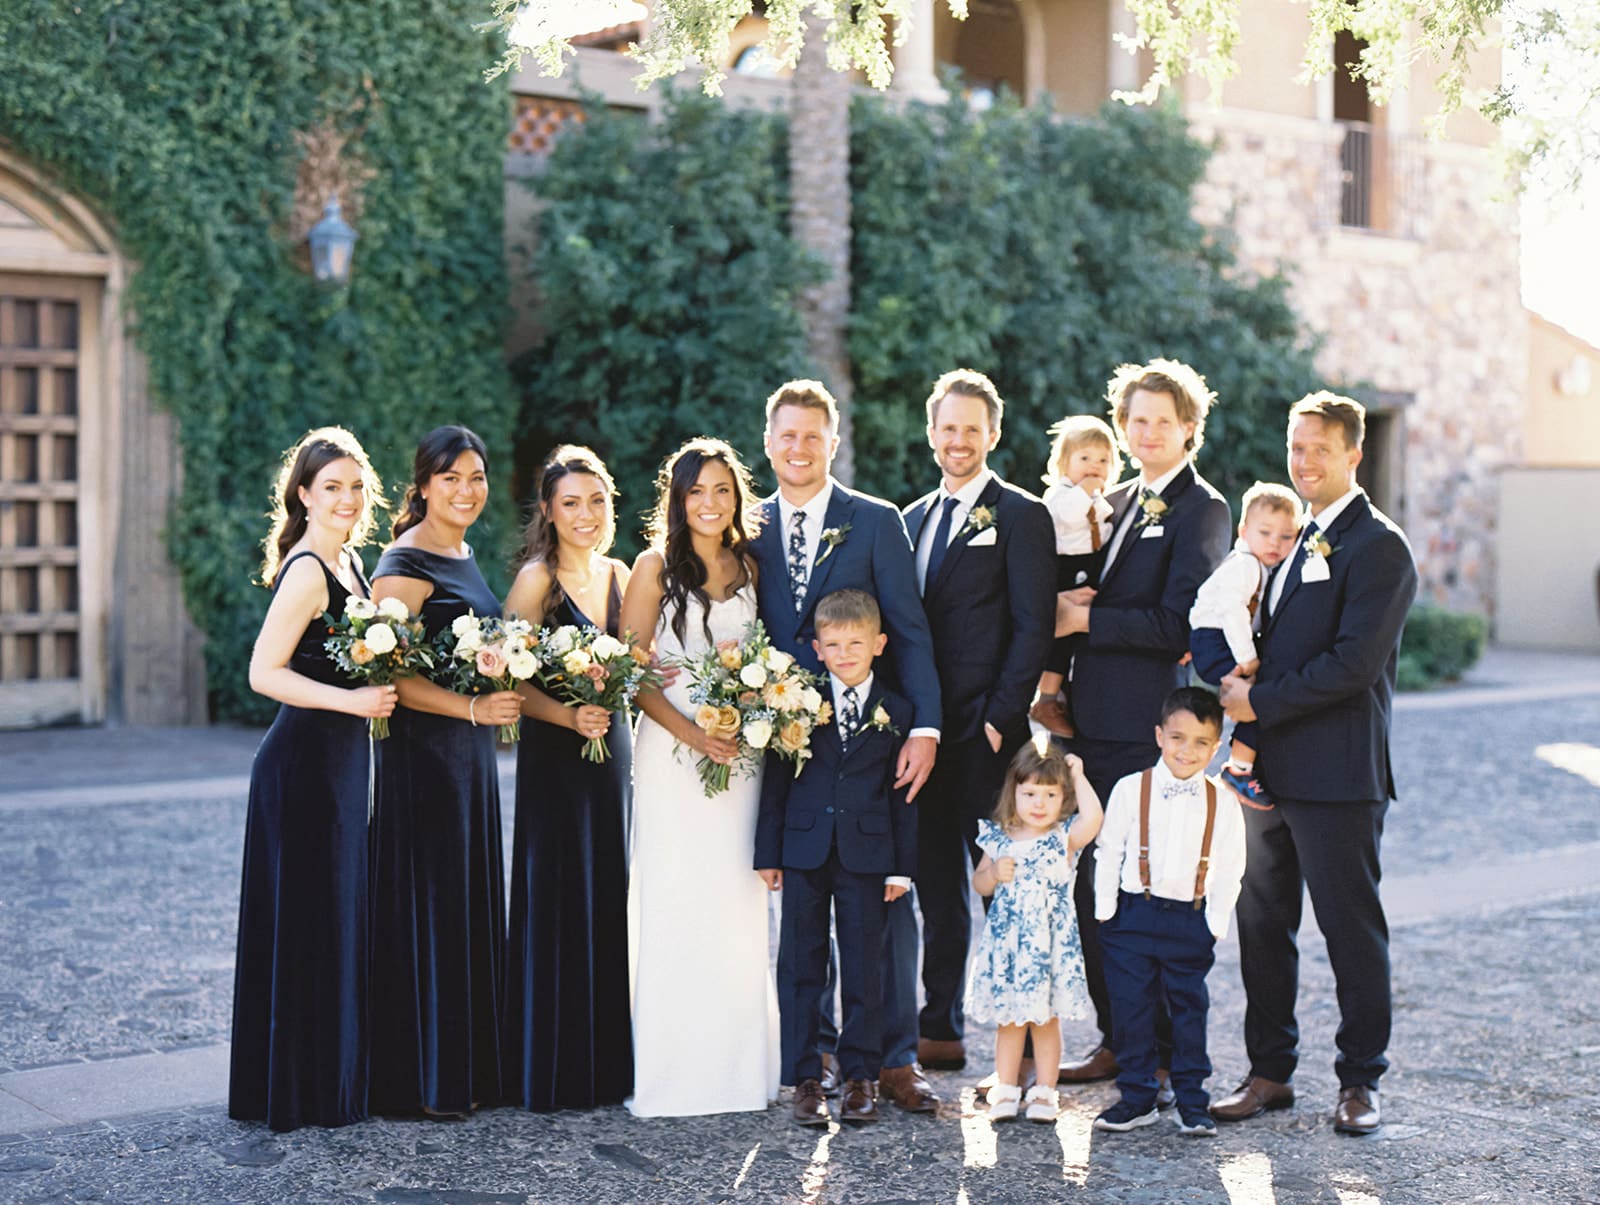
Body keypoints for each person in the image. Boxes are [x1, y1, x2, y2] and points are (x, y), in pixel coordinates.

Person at [1215, 392, 1417, 1136]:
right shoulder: (1292, 540)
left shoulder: (1380, 546)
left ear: (1353, 453)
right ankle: (1269, 1072)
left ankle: (1361, 1081)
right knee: (1262, 926)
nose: (1302, 461)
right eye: (1295, 448)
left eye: (1318, 449)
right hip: (1267, 778)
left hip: (1338, 777)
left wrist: (1254, 703)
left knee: (1349, 929)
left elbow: (1352, 667)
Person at [751, 379, 942, 1113]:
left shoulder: (873, 520)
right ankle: (811, 1061)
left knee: (875, 928)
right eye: (786, 435)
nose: (799, 448)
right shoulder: (749, 524)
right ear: (768, 442)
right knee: (800, 936)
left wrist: (923, 726)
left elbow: (910, 628)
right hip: (786, 753)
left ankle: (883, 1061)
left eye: (813, 435)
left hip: (867, 755)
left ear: (834, 442)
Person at [1055, 359, 1232, 1088]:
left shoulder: (1203, 508)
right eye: (1137, 419)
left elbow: (1176, 623)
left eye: (1163, 419)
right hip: (1084, 722)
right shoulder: (1114, 498)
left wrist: (1086, 618)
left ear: (1189, 428)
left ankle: (1159, 1052)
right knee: (1090, 887)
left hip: (1146, 726)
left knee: (1142, 885)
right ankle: (1116, 1038)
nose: (1148, 431)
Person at [229, 427, 396, 1132]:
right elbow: (262, 672)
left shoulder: (353, 563)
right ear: (303, 494)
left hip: (341, 765)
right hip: (300, 768)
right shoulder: (307, 570)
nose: (348, 499)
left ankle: (333, 1077)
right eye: (332, 487)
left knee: (337, 916)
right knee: (305, 922)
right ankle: (295, 1091)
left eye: (357, 487)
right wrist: (354, 700)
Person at [618, 437, 780, 1117]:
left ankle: (740, 1072)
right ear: (678, 498)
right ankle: (674, 1072)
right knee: (677, 897)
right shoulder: (654, 567)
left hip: (742, 758)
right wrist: (693, 734)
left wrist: (750, 714)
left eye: (722, 490)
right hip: (674, 756)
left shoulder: (750, 564)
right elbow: (631, 672)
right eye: (697, 491)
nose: (710, 503)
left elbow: (766, 655)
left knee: (736, 901)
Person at [903, 368, 1057, 1071]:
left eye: (972, 427)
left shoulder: (1023, 516)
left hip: (990, 740)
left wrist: (1001, 718)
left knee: (1007, 892)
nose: (958, 440)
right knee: (937, 888)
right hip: (927, 738)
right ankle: (939, 1025)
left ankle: (1023, 1046)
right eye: (948, 426)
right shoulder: (910, 520)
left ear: (992, 434)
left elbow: (1034, 626)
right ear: (931, 432)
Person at [369, 426, 519, 1118]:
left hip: (469, 756)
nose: (466, 490)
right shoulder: (403, 563)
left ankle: (466, 1068)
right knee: (432, 905)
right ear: (423, 484)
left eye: (477, 477)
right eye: (451, 477)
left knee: (462, 902)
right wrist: (471, 705)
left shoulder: (462, 551)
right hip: (423, 757)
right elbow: (388, 670)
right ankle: (426, 1077)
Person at [501, 446, 634, 1111]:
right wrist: (567, 712)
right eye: (572, 503)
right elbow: (503, 679)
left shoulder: (622, 574)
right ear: (549, 512)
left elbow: (640, 666)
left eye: (597, 500)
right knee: (556, 896)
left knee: (611, 891)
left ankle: (608, 1068)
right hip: (555, 760)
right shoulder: (536, 579)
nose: (587, 514)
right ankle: (550, 1067)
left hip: (613, 755)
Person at [755, 589, 917, 1128]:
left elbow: (904, 795)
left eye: (856, 643)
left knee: (864, 966)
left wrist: (901, 866)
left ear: (879, 644)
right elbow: (776, 780)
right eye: (833, 644)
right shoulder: (794, 700)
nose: (845, 653)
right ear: (817, 649)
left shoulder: (899, 710)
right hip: (803, 849)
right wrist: (768, 852)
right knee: (801, 963)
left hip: (869, 855)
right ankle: (804, 1077)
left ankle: (861, 1077)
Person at [1091, 687, 1246, 1138]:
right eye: (1178, 738)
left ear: (1216, 747)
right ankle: (1137, 1096)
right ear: (1160, 736)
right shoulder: (1129, 789)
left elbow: (1233, 867)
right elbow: (1107, 850)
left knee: (1188, 1010)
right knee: (1131, 1010)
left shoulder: (1223, 802)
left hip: (1189, 919)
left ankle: (1193, 1101)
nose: (1186, 750)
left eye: (1200, 743)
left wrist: (1214, 925)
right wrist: (1106, 913)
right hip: (1131, 917)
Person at [968, 742, 1103, 1123]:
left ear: (1063, 799)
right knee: (1009, 1023)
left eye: (1050, 794)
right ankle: (1007, 1089)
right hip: (1009, 949)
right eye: (1029, 793)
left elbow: (1093, 819)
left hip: (1048, 949)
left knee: (1046, 1022)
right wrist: (993, 874)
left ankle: (1045, 1092)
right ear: (1014, 793)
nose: (1039, 803)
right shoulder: (999, 836)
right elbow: (979, 883)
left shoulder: (1063, 838)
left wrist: (1078, 775)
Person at [1186, 481, 1301, 808]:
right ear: (1244, 531)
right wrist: (1248, 659)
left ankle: (1242, 761)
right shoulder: (1246, 565)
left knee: (1259, 694)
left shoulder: (1259, 566)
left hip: (1211, 637)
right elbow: (1231, 611)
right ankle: (1238, 769)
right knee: (1258, 694)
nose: (1274, 543)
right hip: (1217, 640)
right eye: (1265, 533)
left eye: (1286, 536)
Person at [1031, 415, 1122, 739]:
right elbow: (1069, 514)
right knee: (1062, 634)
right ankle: (1045, 699)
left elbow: (1105, 527)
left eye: (1103, 460)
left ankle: (1062, 696)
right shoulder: (1062, 494)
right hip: (1065, 567)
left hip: (1088, 565)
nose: (1093, 466)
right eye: (1084, 459)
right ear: (1063, 463)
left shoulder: (1098, 499)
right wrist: (1085, 491)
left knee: (1077, 637)